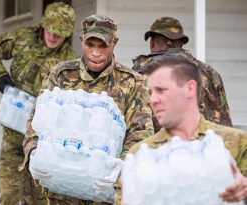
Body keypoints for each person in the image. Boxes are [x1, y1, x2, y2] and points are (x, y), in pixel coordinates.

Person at [19, 14, 154, 205]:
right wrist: (33, 151)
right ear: (81, 40)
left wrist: (122, 166)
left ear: (114, 42)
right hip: (61, 192)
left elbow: (141, 132)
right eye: (90, 45)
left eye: (103, 46)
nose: (96, 52)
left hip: (104, 192)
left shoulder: (131, 83)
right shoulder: (61, 75)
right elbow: (36, 122)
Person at [0, 2, 77, 204]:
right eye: (49, 30)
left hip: (43, 147)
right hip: (13, 139)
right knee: (9, 198)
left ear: (67, 34)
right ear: (43, 25)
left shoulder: (71, 62)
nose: (52, 36)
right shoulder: (23, 38)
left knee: (41, 201)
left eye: (58, 33)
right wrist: (0, 77)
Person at [116, 53, 247, 204]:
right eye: (151, 93)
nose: (152, 100)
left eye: (161, 90)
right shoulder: (141, 154)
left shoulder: (236, 143)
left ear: (190, 89)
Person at [132, 16, 232, 132]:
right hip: (206, 146)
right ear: (181, 42)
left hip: (159, 147)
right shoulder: (211, 74)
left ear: (153, 43)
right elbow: (225, 123)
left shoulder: (140, 73)